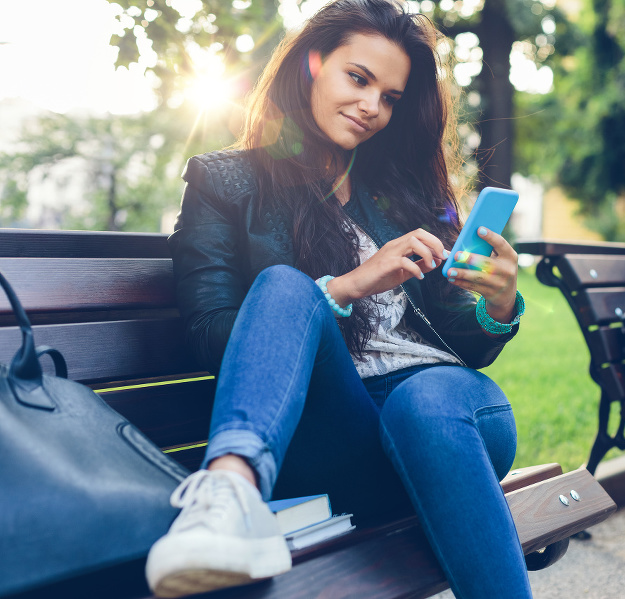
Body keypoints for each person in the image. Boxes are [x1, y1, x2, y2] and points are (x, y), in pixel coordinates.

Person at [144, 1, 530, 597]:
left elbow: (469, 347)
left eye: (391, 96)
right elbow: (212, 335)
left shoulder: (406, 192)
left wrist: (498, 305)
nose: (372, 107)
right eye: (358, 78)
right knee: (283, 286)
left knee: (422, 402)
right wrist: (349, 285)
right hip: (334, 436)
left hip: (448, 418)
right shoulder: (225, 185)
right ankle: (227, 502)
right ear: (311, 65)